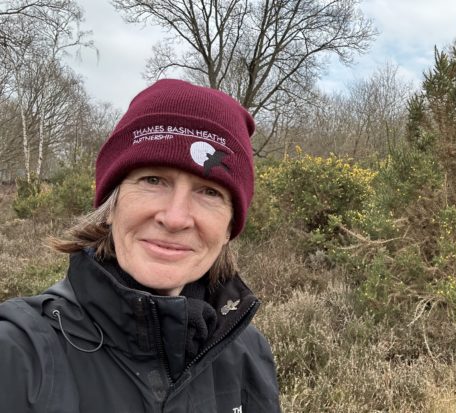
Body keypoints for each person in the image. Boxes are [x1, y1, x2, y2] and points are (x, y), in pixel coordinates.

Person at [0, 79, 281, 412]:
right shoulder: (17, 355)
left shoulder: (249, 355)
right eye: (153, 180)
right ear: (111, 206)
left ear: (228, 228)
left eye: (209, 192)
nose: (176, 218)